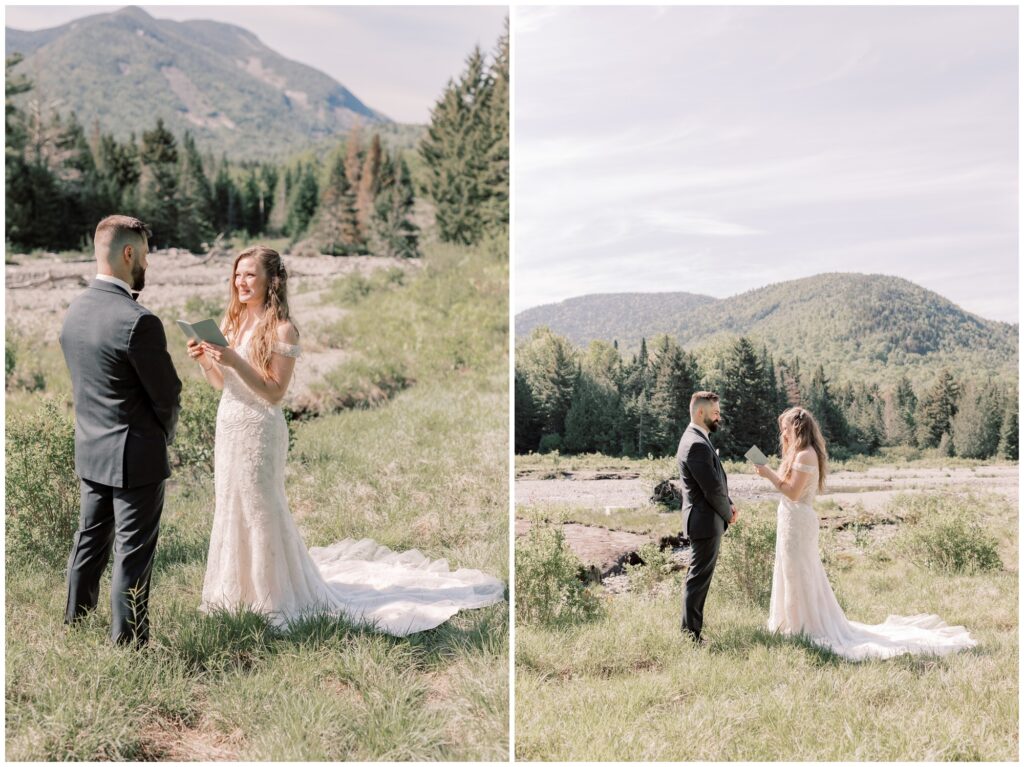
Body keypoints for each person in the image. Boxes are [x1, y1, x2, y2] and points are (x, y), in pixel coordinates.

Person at [189, 246, 504, 635]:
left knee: (260, 509)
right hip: (229, 424)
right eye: (238, 275)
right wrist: (206, 361)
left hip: (259, 429)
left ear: (273, 280)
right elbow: (222, 384)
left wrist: (235, 360)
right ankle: (234, 594)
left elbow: (273, 393)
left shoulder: (283, 329)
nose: (242, 282)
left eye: (251, 274)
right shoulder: (230, 322)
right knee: (230, 504)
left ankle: (271, 597)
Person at [754, 406, 976, 660]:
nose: (782, 433)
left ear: (796, 428)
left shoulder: (806, 455)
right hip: (790, 521)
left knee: (800, 573)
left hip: (798, 524)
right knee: (789, 572)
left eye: (785, 429)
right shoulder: (798, 453)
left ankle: (804, 626)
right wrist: (777, 463)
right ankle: (791, 623)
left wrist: (767, 472)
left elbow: (792, 492)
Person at [60, 215, 182, 646]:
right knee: (132, 554)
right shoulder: (138, 320)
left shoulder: (75, 310)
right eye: (145, 254)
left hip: (90, 448)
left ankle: (74, 624)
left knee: (89, 540)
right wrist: (163, 436)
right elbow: (167, 395)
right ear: (128, 253)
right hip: (136, 454)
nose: (147, 264)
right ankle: (128, 646)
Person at [677, 391, 737, 644]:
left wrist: (729, 504)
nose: (719, 417)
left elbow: (714, 484)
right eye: (715, 412)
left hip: (705, 520)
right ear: (700, 412)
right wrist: (729, 514)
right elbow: (711, 489)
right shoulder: (696, 444)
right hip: (704, 522)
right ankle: (691, 635)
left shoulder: (698, 439)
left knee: (699, 577)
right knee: (698, 579)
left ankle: (691, 631)